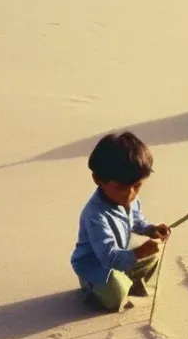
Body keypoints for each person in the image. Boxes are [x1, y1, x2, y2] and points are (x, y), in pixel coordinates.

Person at [70, 131, 171, 311]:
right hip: (96, 267)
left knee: (154, 253)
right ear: (98, 180)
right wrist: (139, 252)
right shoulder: (95, 215)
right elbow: (107, 256)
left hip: (120, 257)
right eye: (121, 188)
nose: (130, 193)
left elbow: (136, 220)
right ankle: (94, 291)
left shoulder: (130, 199)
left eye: (137, 186)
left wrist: (150, 229)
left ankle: (127, 281)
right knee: (116, 294)